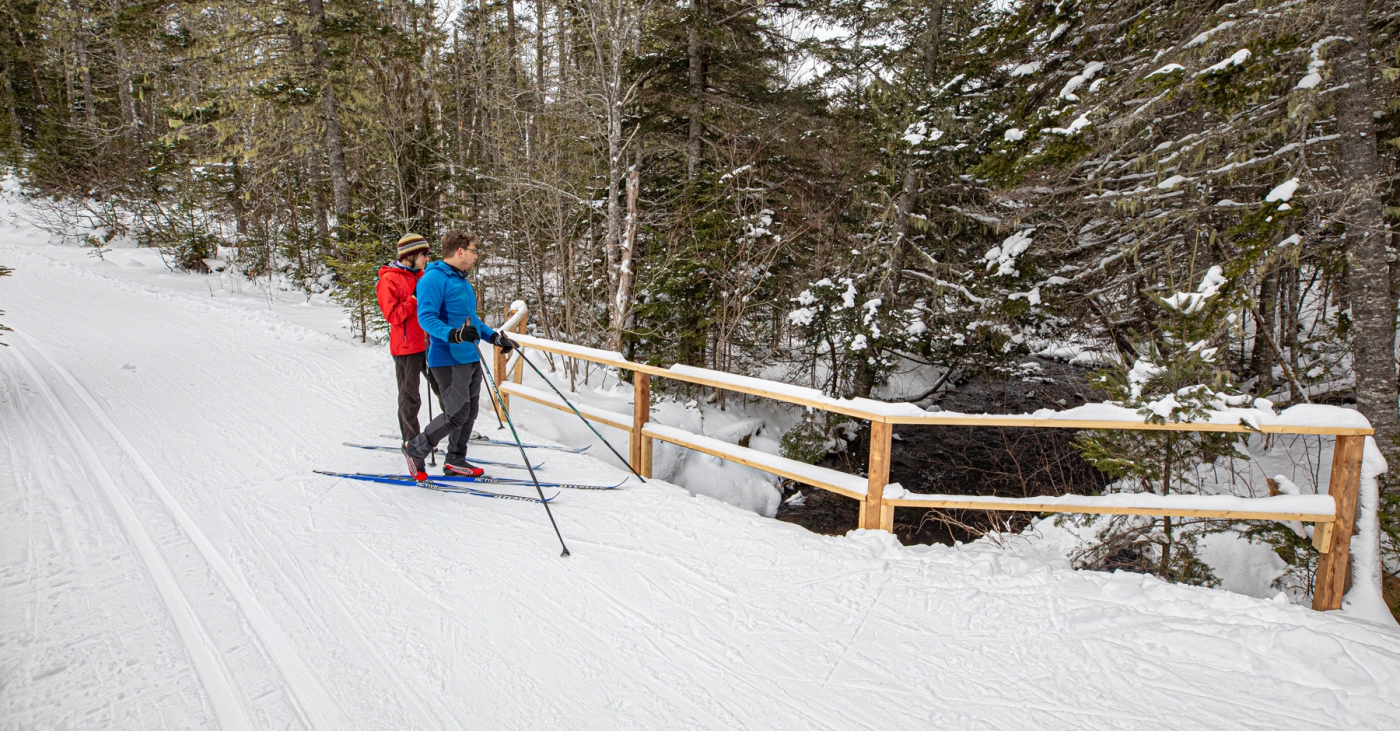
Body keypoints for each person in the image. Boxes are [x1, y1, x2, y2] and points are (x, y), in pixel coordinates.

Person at [403, 230, 517, 480]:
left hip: (470, 357)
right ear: (460, 251)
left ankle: (455, 459)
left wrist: (494, 337)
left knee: (470, 412)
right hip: (448, 358)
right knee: (456, 414)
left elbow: (473, 321)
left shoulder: (462, 281)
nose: (476, 256)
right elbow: (426, 318)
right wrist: (453, 334)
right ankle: (416, 449)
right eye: (474, 250)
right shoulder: (434, 279)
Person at [376, 233, 438, 444]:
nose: (427, 258)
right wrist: (413, 299)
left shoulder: (422, 275)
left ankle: (455, 429)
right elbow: (392, 316)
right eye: (424, 254)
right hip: (405, 347)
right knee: (410, 396)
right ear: (410, 255)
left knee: (443, 387)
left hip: (429, 343)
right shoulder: (389, 279)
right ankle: (411, 440)